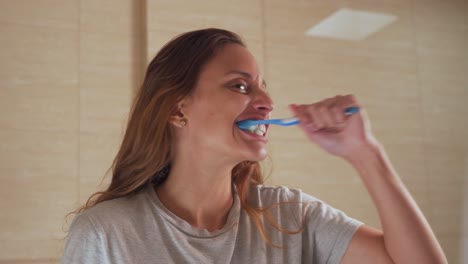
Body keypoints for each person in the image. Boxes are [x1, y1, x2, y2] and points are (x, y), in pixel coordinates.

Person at [62, 28, 447, 264]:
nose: (266, 102)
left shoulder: (291, 218)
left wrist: (366, 153)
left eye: (263, 86)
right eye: (240, 86)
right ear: (178, 109)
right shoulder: (105, 234)